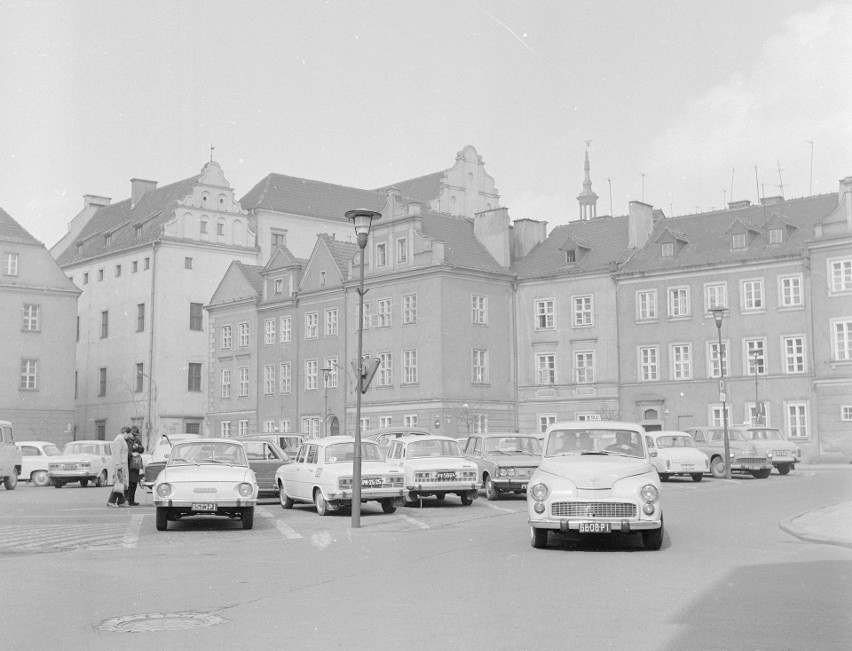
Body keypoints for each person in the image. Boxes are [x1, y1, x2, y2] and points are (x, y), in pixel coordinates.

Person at [107, 427, 131, 507]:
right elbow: (117, 452)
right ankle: (111, 501)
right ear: (126, 433)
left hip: (122, 464)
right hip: (120, 465)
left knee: (121, 483)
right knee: (119, 483)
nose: (129, 436)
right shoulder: (119, 439)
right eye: (129, 434)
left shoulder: (121, 439)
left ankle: (121, 501)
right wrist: (118, 464)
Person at [125, 426, 145, 506]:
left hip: (135, 464)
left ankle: (132, 499)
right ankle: (127, 499)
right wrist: (132, 453)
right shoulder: (126, 441)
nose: (134, 436)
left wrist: (138, 447)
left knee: (134, 483)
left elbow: (142, 450)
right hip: (128, 464)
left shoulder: (137, 440)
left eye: (135, 435)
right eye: (133, 434)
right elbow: (124, 452)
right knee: (129, 483)